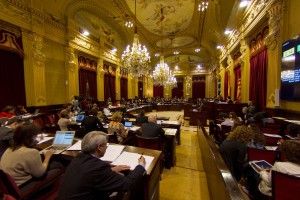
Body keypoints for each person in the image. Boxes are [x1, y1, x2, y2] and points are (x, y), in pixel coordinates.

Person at [58, 131, 146, 200]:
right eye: (106, 145)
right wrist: (141, 165)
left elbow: (90, 175)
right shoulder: (98, 167)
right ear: (99, 148)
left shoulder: (78, 158)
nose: (107, 147)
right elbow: (127, 184)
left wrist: (111, 170)